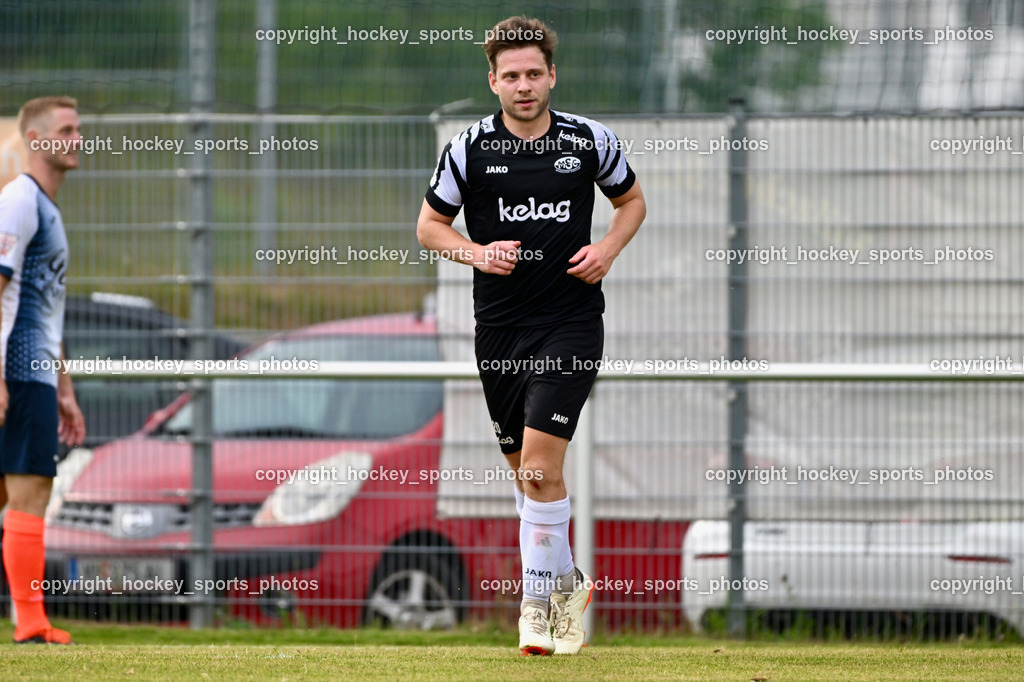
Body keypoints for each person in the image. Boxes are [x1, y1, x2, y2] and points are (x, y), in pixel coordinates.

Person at [416, 16, 646, 655]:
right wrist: (476, 254)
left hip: (570, 323)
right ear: (493, 81)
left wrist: (607, 249)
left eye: (533, 73)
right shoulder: (468, 148)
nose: (523, 85)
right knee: (526, 478)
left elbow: (631, 203)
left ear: (552, 75)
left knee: (543, 469)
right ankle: (566, 581)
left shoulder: (588, 139)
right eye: (510, 75)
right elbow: (430, 228)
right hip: (498, 330)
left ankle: (541, 613)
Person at [0, 95, 86, 645]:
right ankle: (30, 621)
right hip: (15, 369)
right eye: (67, 130)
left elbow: (47, 310)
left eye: (79, 130)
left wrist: (65, 389)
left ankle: (29, 619)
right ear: (35, 138)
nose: (78, 139)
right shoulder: (20, 201)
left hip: (35, 371)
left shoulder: (45, 207)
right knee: (31, 490)